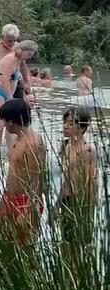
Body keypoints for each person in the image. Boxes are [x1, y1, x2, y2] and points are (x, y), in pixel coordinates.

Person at [0, 99, 46, 242]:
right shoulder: (18, 139)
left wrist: (29, 209)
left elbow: (38, 179)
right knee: (3, 242)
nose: (4, 125)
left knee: (24, 246)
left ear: (11, 121)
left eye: (4, 121)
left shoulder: (33, 143)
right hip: (9, 197)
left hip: (25, 201)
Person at [0, 40, 37, 155]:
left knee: (10, 124)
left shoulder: (19, 60)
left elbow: (21, 75)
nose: (30, 57)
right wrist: (10, 99)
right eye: (29, 54)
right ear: (23, 50)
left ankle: (9, 151)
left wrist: (27, 85)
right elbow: (5, 79)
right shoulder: (11, 59)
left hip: (3, 93)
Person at [55, 107, 96, 250]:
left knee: (78, 247)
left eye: (71, 123)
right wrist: (57, 205)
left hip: (79, 203)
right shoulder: (67, 146)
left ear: (83, 128)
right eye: (64, 122)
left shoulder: (87, 151)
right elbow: (66, 180)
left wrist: (88, 212)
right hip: (66, 200)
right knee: (65, 244)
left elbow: (91, 183)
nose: (65, 126)